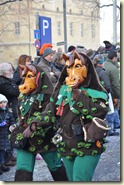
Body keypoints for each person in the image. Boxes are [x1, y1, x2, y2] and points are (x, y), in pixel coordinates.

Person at [23, 51, 110, 181]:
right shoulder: (62, 90)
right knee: (70, 179)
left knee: (80, 179)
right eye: (69, 67)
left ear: (87, 68)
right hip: (66, 144)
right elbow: (50, 111)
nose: (72, 71)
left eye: (78, 66)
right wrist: (35, 123)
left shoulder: (96, 91)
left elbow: (100, 112)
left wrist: (80, 96)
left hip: (88, 143)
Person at [10, 64, 68, 181]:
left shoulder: (49, 94)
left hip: (45, 139)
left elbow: (51, 116)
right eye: (24, 77)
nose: (26, 80)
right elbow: (21, 115)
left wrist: (34, 125)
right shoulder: (23, 95)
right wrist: (17, 127)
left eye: (30, 76)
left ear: (38, 77)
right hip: (25, 140)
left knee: (56, 168)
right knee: (22, 170)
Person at [93, 54, 119, 136]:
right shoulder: (102, 72)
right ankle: (108, 130)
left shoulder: (92, 71)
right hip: (103, 94)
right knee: (108, 112)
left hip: (94, 94)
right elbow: (107, 86)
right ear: (101, 62)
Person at [104, 51, 120, 132]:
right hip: (111, 92)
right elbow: (116, 84)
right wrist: (119, 95)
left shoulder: (104, 64)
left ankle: (117, 123)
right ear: (114, 58)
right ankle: (111, 128)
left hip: (104, 91)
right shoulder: (113, 69)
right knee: (112, 109)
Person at [0, 94, 16, 175]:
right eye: (1, 103)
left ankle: (2, 164)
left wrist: (13, 126)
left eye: (4, 102)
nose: (3, 104)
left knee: (4, 150)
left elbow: (12, 121)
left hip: (6, 134)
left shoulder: (8, 113)